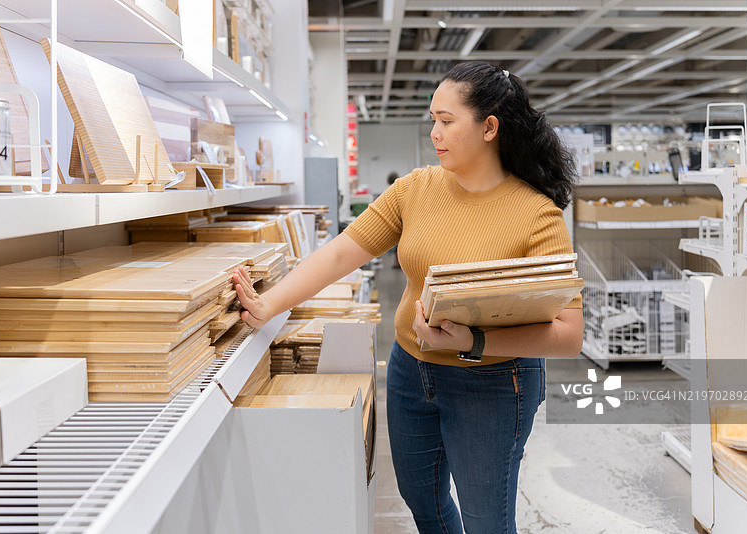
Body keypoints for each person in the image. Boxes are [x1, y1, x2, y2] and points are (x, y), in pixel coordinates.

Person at [233, 60, 583, 534]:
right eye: (432, 120)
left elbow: (568, 335)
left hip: (494, 383)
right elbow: (341, 254)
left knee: (486, 520)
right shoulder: (416, 189)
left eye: (446, 120)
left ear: (489, 127)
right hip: (410, 370)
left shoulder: (536, 216)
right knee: (421, 499)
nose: (434, 131)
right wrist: (268, 303)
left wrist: (472, 341)